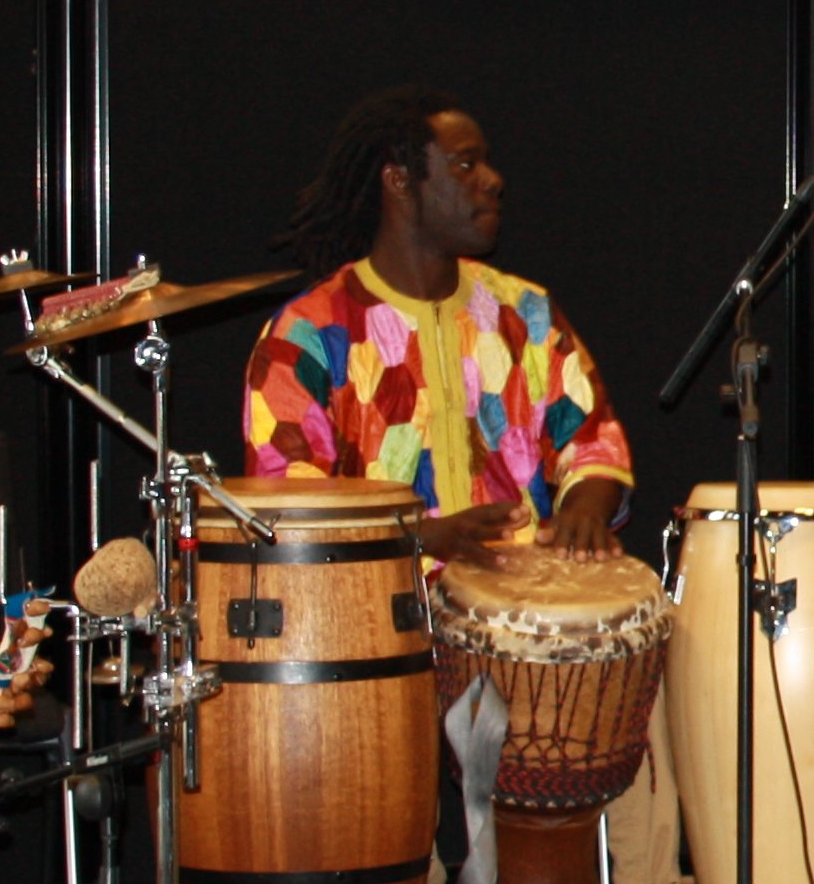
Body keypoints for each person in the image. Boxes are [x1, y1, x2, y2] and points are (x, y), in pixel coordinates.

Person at [244, 88, 632, 560]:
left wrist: (584, 512)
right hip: (379, 598)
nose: (493, 180)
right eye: (466, 164)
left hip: (522, 592)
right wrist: (418, 536)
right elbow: (286, 503)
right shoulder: (306, 334)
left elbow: (593, 442)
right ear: (400, 181)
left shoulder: (526, 313)